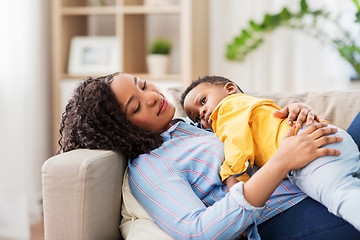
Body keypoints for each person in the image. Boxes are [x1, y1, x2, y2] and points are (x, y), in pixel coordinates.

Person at [59, 72, 360, 239]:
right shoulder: (151, 167)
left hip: (318, 168)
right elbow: (197, 231)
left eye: (143, 85)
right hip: (288, 215)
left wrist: (291, 114)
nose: (151, 97)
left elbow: (250, 126)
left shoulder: (193, 124)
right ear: (122, 129)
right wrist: (282, 161)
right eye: (136, 107)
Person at [181, 75, 360, 231]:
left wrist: (233, 189)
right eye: (197, 118)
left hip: (309, 148)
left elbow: (237, 148)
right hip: (328, 137)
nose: (203, 113)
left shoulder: (226, 110)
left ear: (230, 89)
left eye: (203, 101)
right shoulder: (250, 110)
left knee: (340, 195)